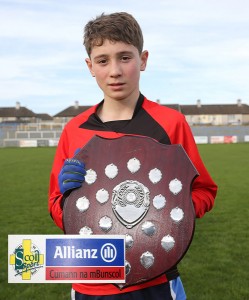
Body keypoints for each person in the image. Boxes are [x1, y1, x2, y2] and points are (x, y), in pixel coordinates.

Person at [49, 12, 218, 300]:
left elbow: (204, 191)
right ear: (90, 66)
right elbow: (55, 206)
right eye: (103, 60)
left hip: (154, 279)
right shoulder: (73, 129)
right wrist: (67, 200)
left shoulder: (170, 123)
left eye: (125, 57)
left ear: (143, 60)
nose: (114, 71)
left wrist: (174, 208)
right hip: (90, 277)